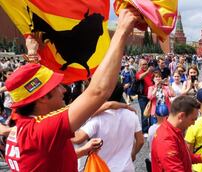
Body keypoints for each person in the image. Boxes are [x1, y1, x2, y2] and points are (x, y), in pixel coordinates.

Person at [4, 8, 139, 171]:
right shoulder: (40, 131)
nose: (63, 90)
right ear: (41, 99)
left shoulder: (19, 121)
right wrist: (121, 31)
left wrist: (34, 54)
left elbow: (48, 160)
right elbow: (98, 91)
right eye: (56, 87)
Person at [71, 83, 144, 171]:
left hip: (103, 168)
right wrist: (133, 154)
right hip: (127, 167)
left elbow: (78, 138)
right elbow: (140, 141)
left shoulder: (97, 118)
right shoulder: (132, 114)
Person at [151, 96, 202, 172]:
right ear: (181, 116)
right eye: (192, 119)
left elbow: (183, 156)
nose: (193, 123)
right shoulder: (166, 139)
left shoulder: (174, 130)